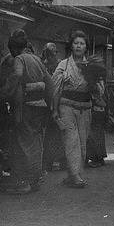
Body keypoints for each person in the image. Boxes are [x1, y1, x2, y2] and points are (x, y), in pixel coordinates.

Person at [0, 29, 53, 194]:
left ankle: (24, 182)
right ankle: (35, 179)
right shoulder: (37, 60)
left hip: (25, 107)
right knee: (35, 143)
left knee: (23, 144)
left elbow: (17, 76)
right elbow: (49, 82)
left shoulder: (19, 59)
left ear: (13, 49)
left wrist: (5, 91)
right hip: (40, 106)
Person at [51, 30, 94, 188]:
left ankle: (72, 175)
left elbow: (99, 90)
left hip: (85, 108)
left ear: (85, 47)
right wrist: (55, 110)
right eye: (76, 43)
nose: (78, 46)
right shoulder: (63, 64)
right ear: (71, 46)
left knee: (82, 142)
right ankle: (76, 177)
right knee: (71, 141)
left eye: (82, 43)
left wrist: (94, 80)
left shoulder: (91, 66)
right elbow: (55, 88)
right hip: (66, 107)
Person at [41, 42, 67, 173]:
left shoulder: (62, 66)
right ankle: (49, 162)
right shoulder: (44, 65)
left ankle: (62, 161)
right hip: (48, 104)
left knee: (60, 134)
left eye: (52, 54)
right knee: (51, 135)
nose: (50, 57)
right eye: (48, 54)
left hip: (60, 103)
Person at [86, 72, 108, 168]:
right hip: (100, 111)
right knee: (97, 134)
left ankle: (96, 158)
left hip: (95, 111)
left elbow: (95, 98)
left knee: (93, 135)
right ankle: (99, 157)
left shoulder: (94, 84)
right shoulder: (101, 82)